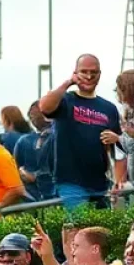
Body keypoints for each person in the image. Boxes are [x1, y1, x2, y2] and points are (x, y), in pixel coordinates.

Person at [38, 53, 122, 211]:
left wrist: (116, 139)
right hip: (70, 181)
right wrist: (68, 82)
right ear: (75, 73)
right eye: (84, 71)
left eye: (93, 72)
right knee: (78, 228)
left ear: (99, 75)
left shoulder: (109, 108)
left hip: (100, 182)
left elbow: (119, 150)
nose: (89, 76)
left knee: (99, 232)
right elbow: (44, 107)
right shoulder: (66, 100)